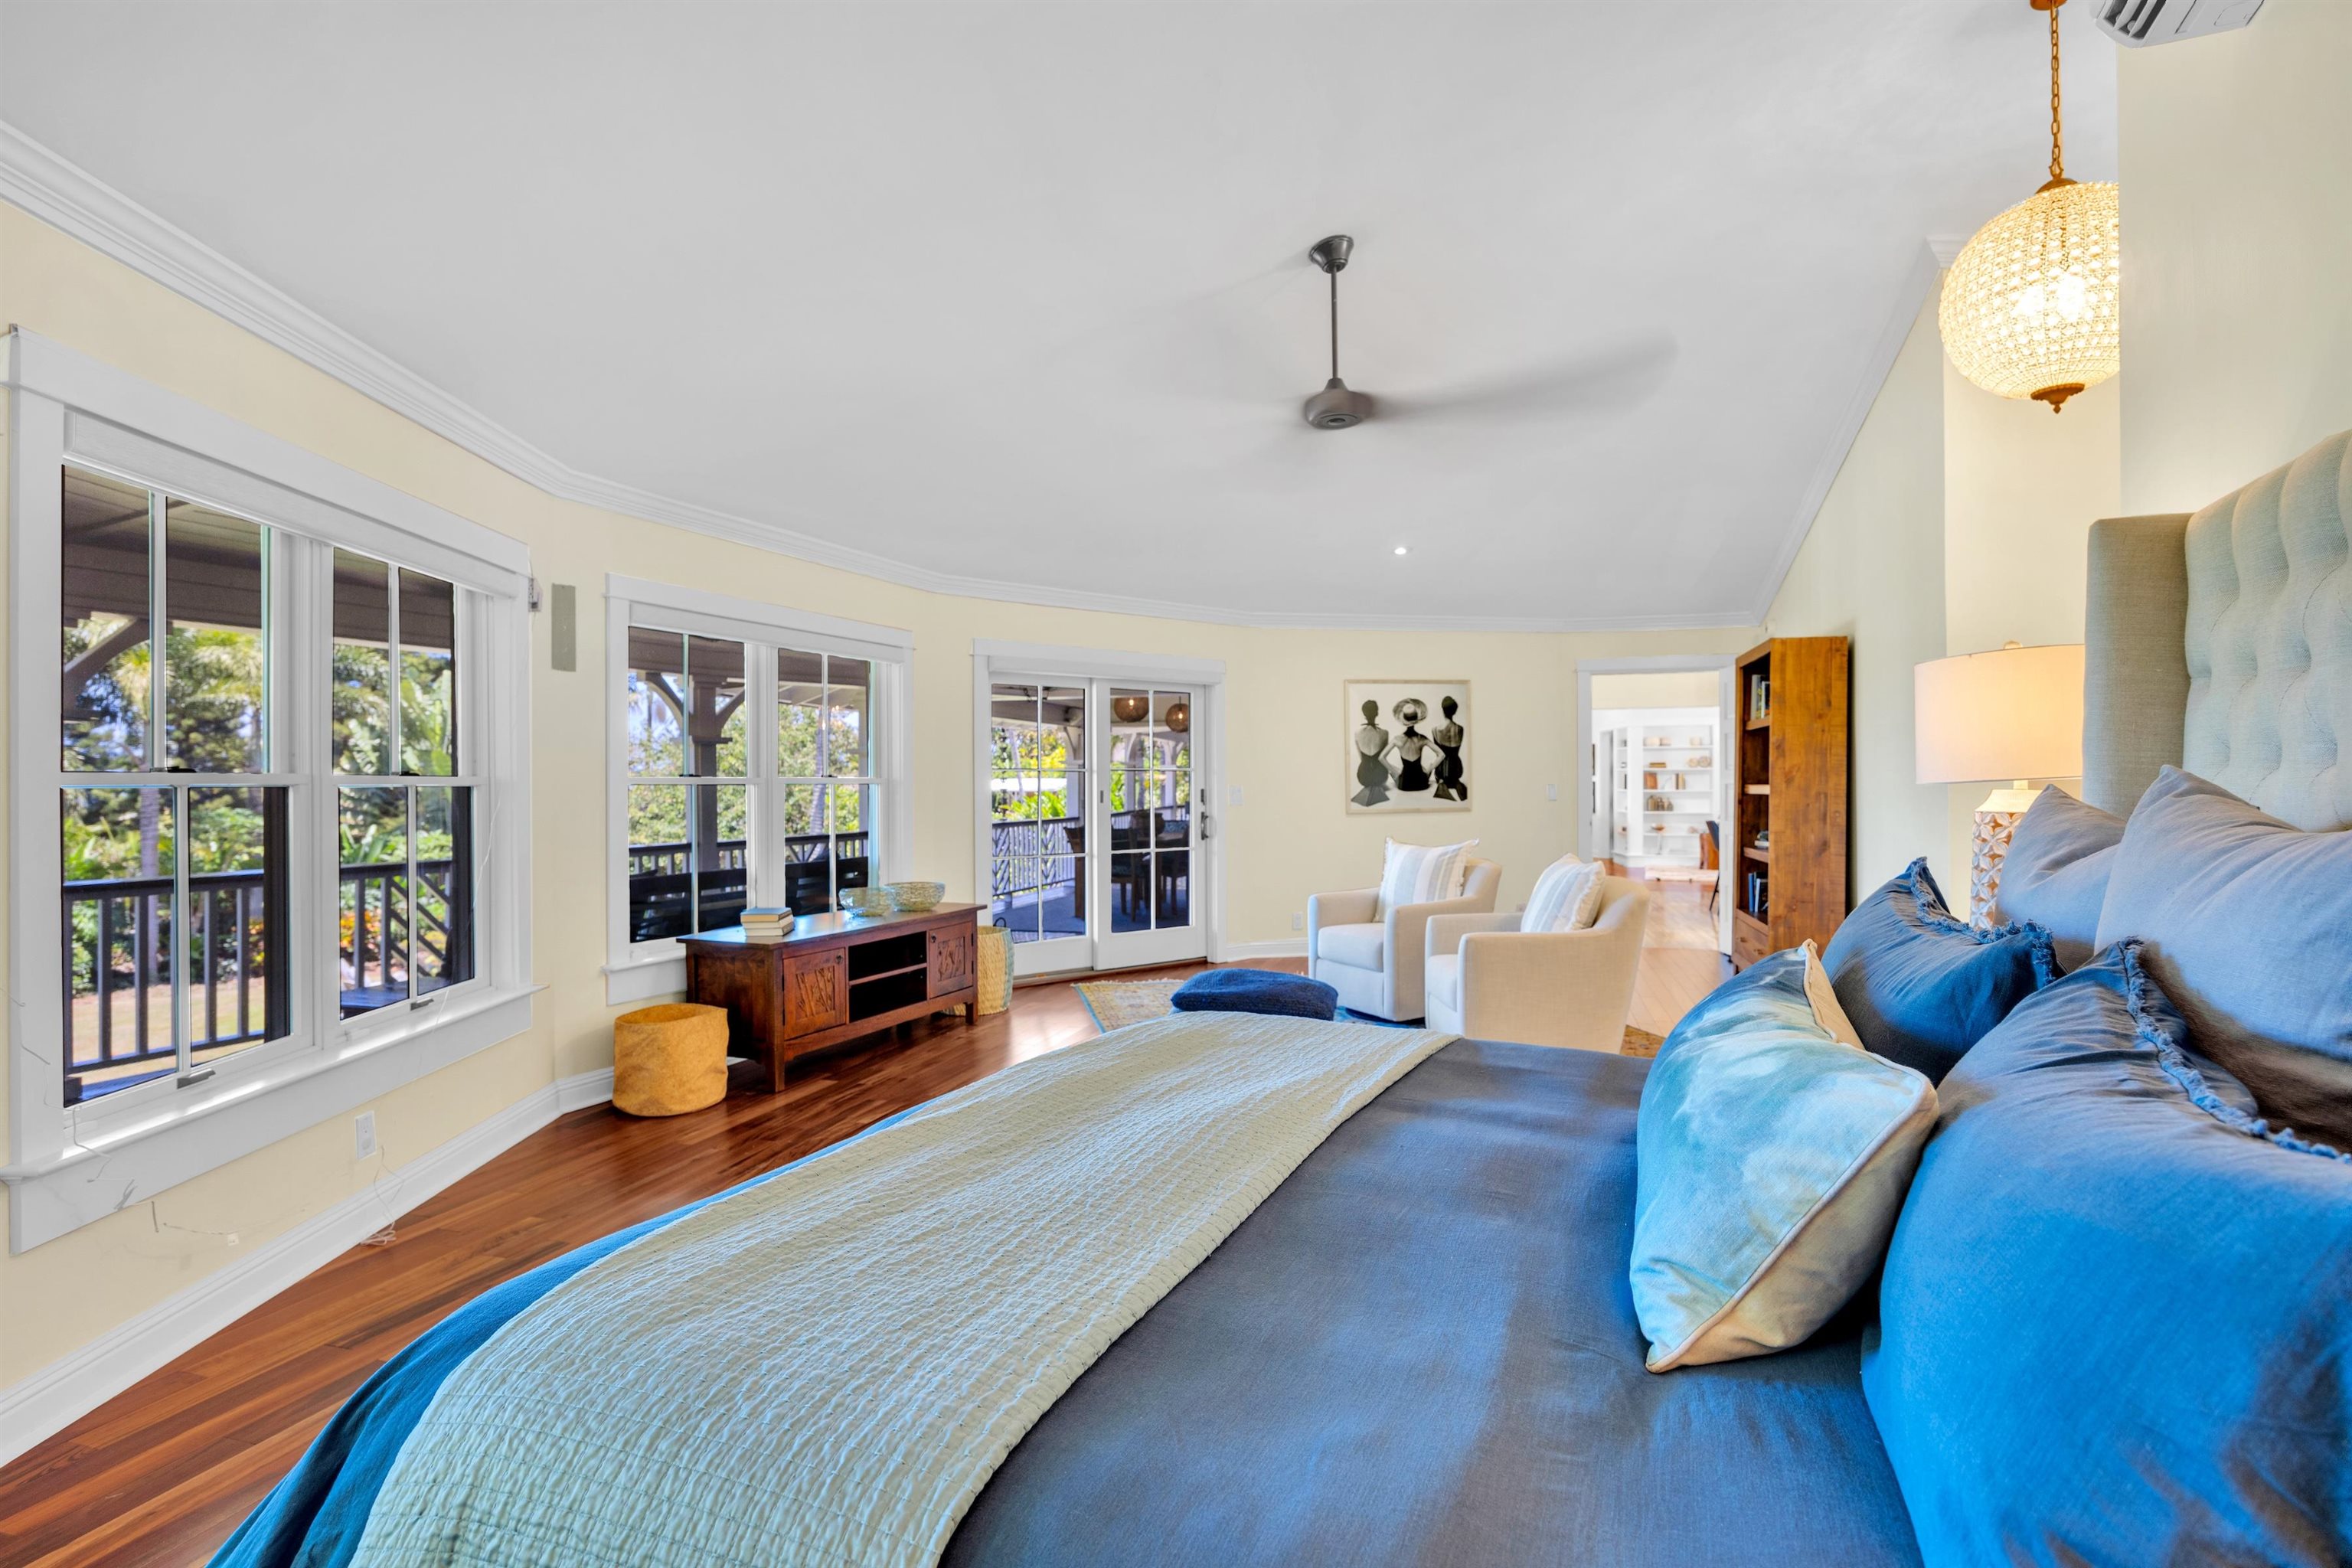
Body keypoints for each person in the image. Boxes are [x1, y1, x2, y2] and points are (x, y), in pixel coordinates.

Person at [1351, 699, 1393, 807]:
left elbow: (1361, 758)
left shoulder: (1357, 733)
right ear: (1377, 713)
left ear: (1364, 714)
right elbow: (1383, 757)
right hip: (1381, 777)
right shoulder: (1385, 733)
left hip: (1363, 777)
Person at [1393, 697, 1433, 794]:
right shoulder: (1422, 739)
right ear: (1416, 719)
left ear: (1404, 719)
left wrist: (1396, 773)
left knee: (1397, 770)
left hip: (1405, 785)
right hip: (1421, 784)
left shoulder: (1397, 739)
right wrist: (1428, 771)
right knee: (1428, 766)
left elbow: (1382, 758)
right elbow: (1441, 755)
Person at [1432, 694, 1468, 802]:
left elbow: (1439, 754)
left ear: (1443, 711)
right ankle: (1455, 783)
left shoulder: (1435, 730)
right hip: (1457, 769)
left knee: (1441, 772)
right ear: (1455, 711)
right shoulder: (1460, 729)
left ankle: (1442, 782)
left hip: (1441, 771)